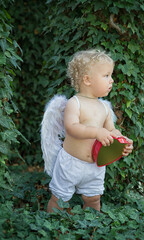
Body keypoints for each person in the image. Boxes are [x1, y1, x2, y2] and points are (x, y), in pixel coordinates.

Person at [47, 49, 133, 212]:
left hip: (95, 165)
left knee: (93, 199)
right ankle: (51, 225)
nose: (112, 80)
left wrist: (123, 141)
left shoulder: (104, 107)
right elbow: (72, 128)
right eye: (106, 75)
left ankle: (91, 226)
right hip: (71, 164)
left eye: (111, 75)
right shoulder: (75, 103)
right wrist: (96, 132)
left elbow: (112, 130)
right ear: (87, 80)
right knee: (59, 198)